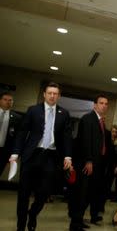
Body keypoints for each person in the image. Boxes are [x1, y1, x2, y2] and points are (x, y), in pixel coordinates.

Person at [9, 82, 72, 231]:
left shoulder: (64, 114)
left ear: (59, 96)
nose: (52, 96)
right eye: (50, 93)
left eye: (55, 93)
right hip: (32, 155)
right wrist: (15, 152)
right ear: (44, 94)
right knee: (23, 193)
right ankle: (20, 226)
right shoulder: (33, 110)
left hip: (51, 157)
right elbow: (22, 132)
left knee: (44, 192)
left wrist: (68, 156)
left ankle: (33, 213)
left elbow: (67, 137)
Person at [69, 94, 112, 231]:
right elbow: (86, 141)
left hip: (97, 164)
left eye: (106, 104)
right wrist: (88, 160)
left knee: (88, 194)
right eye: (101, 103)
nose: (104, 106)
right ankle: (74, 224)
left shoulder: (101, 121)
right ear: (95, 105)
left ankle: (79, 220)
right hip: (87, 163)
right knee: (81, 194)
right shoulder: (88, 118)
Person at [0, 92, 22, 175]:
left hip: (4, 152)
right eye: (5, 99)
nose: (7, 102)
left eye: (10, 100)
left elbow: (18, 138)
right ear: (0, 100)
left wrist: (14, 153)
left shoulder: (18, 118)